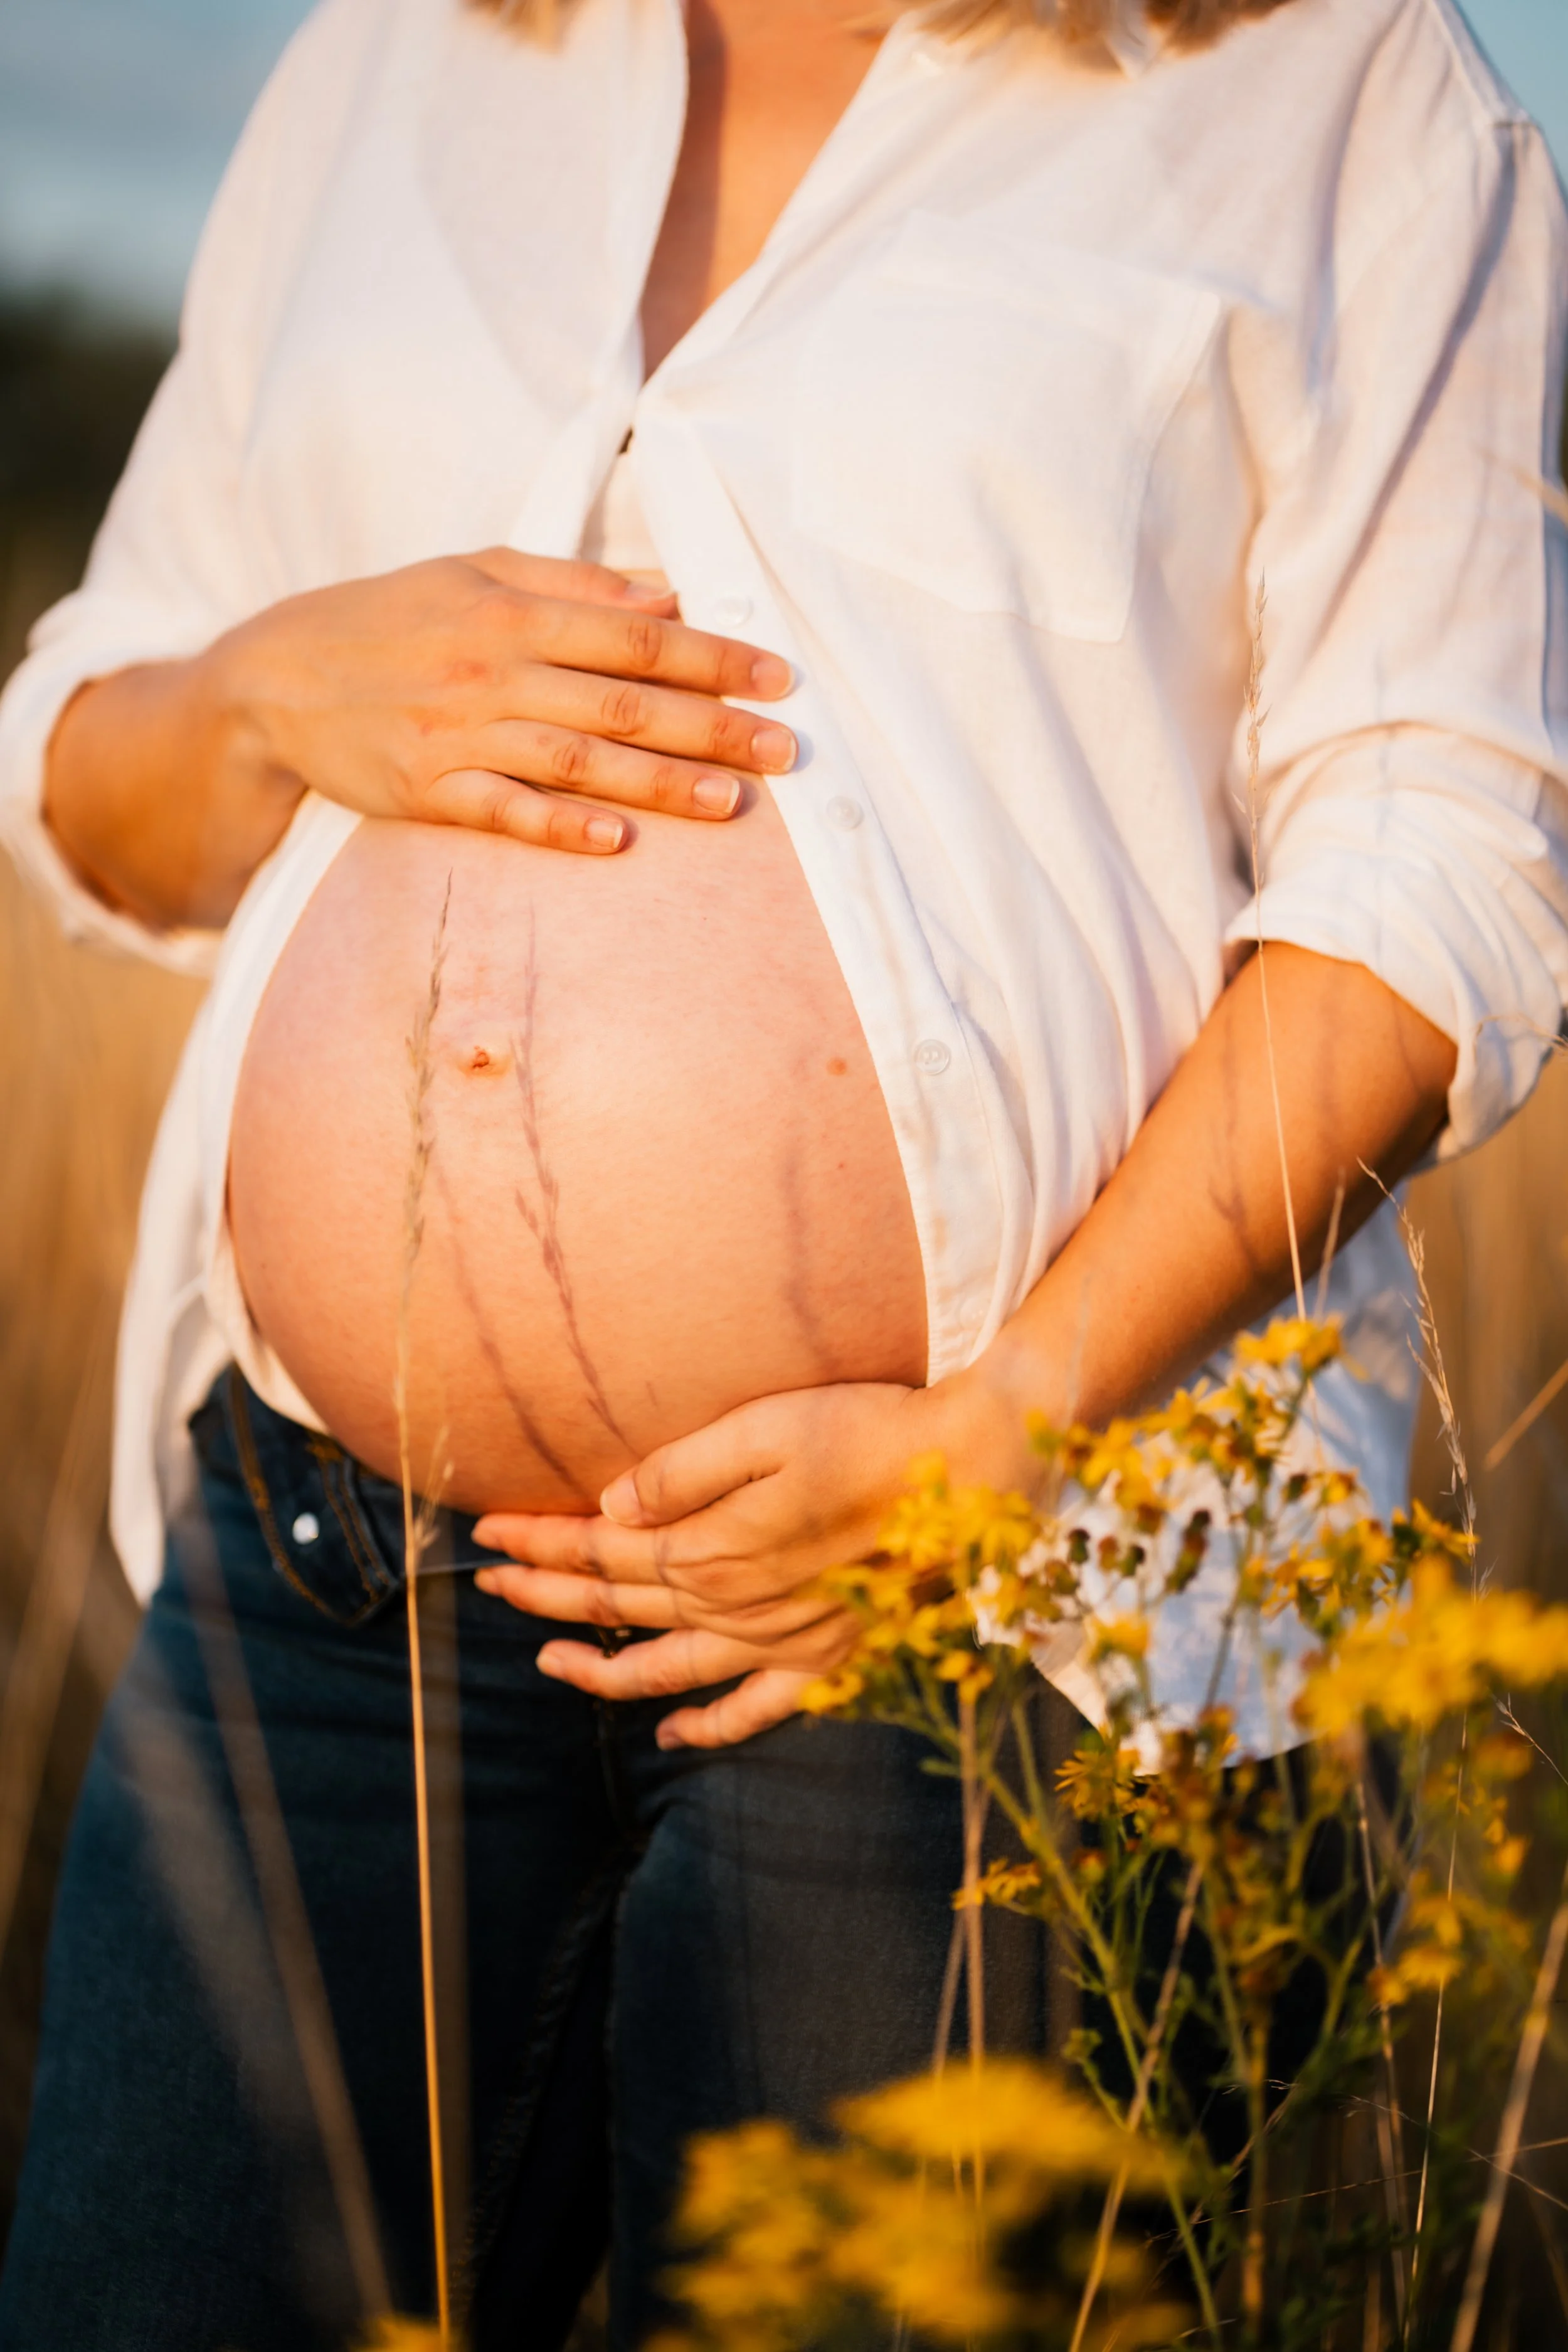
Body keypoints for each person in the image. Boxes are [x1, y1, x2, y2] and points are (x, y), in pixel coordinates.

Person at [1, 0, 1565, 2341]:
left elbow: (1449, 847)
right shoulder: (398, 63)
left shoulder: (1333, 85)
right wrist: (259, 691)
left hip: (962, 1605)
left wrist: (1005, 1430)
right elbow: (92, 754)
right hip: (333, 1569)